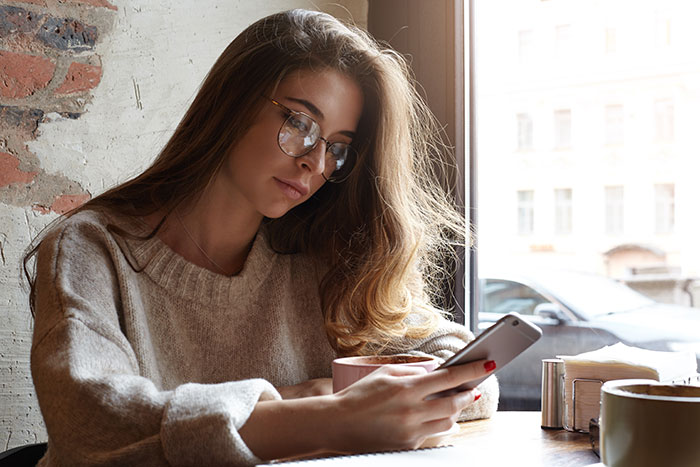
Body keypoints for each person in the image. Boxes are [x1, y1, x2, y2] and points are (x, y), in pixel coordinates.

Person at [24, 9, 498, 466]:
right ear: (233, 102)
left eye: (337, 148)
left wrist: (324, 401)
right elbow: (91, 424)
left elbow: (471, 372)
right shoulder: (94, 249)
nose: (315, 162)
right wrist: (327, 413)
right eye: (299, 123)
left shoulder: (319, 257)